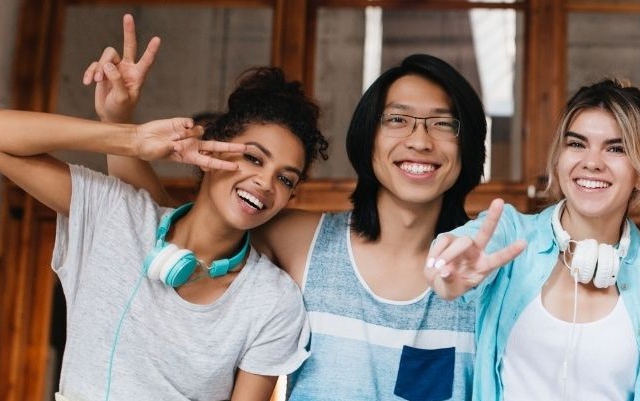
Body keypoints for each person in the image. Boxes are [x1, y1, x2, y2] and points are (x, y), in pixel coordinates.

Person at [93, 15, 490, 400]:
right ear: (367, 138)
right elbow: (167, 225)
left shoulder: (488, 266)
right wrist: (118, 123)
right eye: (398, 119)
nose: (420, 141)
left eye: (442, 124)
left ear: (468, 145)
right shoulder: (304, 241)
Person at [0, 66, 328, 400]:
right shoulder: (116, 215)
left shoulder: (272, 302)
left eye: (284, 178)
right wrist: (129, 137)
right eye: (253, 157)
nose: (265, 182)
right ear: (212, 147)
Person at [426, 79, 640, 400]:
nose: (591, 162)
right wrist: (448, 268)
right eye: (577, 144)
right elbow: (461, 249)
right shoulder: (509, 233)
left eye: (616, 148)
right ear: (558, 158)